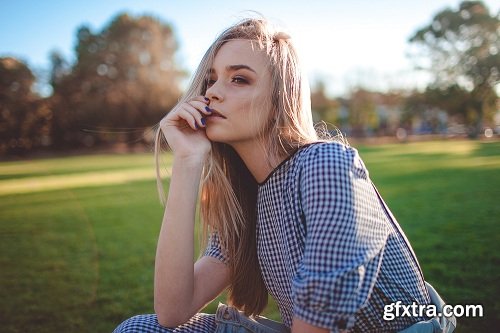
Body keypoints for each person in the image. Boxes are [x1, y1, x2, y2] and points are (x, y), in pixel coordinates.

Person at [113, 18, 456, 333]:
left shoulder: (324, 163)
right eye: (210, 79)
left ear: (279, 100)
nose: (213, 92)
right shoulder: (243, 198)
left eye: (239, 79)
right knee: (140, 329)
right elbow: (172, 312)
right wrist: (188, 161)